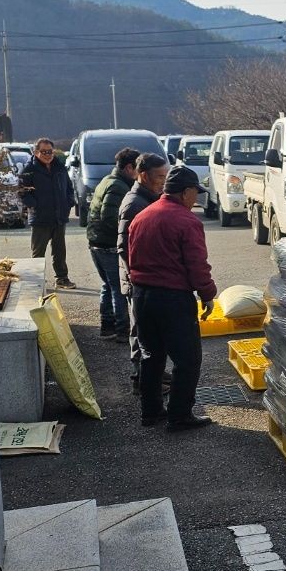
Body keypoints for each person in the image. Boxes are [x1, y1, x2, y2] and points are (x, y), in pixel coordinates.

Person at [127, 165, 216, 431]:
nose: (196, 198)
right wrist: (207, 294)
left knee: (151, 356)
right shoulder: (186, 221)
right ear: (185, 191)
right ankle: (179, 415)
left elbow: (131, 257)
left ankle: (151, 411)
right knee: (187, 359)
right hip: (173, 298)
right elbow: (197, 265)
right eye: (194, 193)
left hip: (141, 295)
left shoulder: (141, 216)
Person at [118, 152, 170, 393]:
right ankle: (141, 379)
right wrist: (136, 276)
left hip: (144, 279)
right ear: (142, 175)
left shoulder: (148, 198)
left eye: (166, 176)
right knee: (140, 331)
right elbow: (123, 247)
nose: (163, 181)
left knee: (151, 331)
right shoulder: (134, 204)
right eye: (159, 176)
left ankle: (154, 375)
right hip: (137, 281)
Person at [87, 147, 138, 339]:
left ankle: (107, 326)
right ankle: (122, 330)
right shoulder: (118, 186)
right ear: (128, 168)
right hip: (107, 244)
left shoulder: (108, 180)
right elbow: (109, 217)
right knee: (117, 287)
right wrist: (124, 235)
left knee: (107, 286)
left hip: (96, 242)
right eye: (137, 168)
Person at [19, 137, 77, 289]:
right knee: (38, 253)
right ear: (36, 152)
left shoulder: (59, 167)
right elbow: (22, 192)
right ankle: (36, 282)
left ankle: (62, 279)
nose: (47, 155)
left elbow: (69, 188)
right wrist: (34, 205)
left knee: (59, 251)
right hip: (40, 218)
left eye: (50, 151)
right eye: (44, 152)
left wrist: (69, 202)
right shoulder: (29, 170)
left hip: (59, 217)